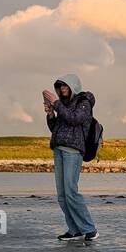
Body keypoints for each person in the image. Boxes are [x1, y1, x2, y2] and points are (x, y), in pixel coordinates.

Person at [43, 74, 98, 241]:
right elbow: (56, 128)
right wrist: (51, 114)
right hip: (59, 149)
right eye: (60, 87)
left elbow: (75, 119)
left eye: (65, 86)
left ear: (73, 86)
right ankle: (74, 229)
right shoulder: (63, 105)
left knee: (71, 192)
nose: (62, 89)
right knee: (62, 195)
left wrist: (57, 104)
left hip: (73, 151)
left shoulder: (84, 102)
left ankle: (90, 229)